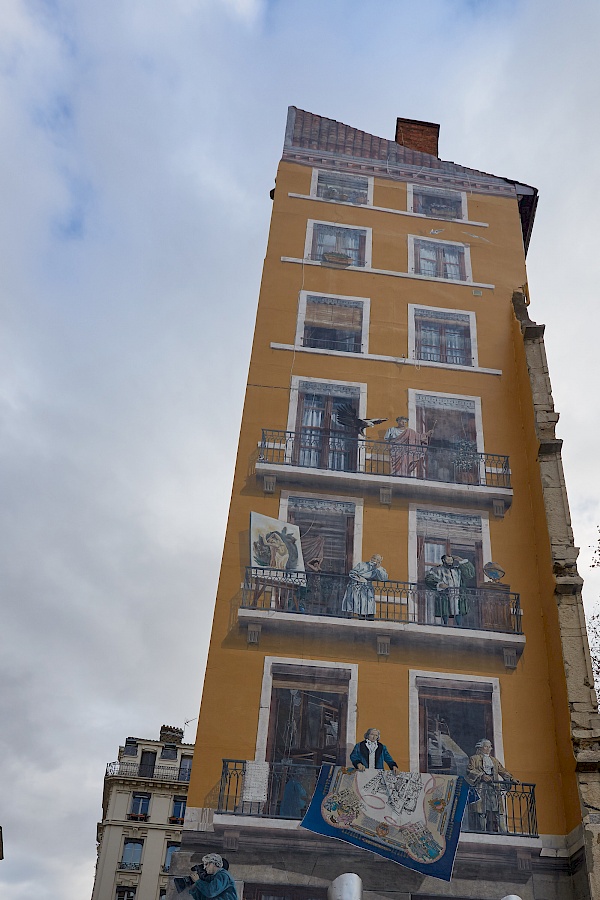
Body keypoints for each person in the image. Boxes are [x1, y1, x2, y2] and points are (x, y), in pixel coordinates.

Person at [466, 739, 518, 834]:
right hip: (481, 787)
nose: (489, 748)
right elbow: (469, 771)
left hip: (494, 788)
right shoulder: (474, 758)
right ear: (480, 747)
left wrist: (511, 778)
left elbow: (502, 771)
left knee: (498, 810)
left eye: (490, 746)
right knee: (482, 811)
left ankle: (503, 830)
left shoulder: (494, 760)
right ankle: (482, 830)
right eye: (486, 746)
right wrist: (482, 775)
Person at [424, 554, 475, 625]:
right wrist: (439, 584)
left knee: (458, 610)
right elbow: (429, 579)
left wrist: (460, 559)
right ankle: (445, 624)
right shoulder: (437, 569)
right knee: (445, 609)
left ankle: (459, 625)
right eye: (448, 560)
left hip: (458, 593)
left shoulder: (458, 570)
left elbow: (470, 574)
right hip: (445, 593)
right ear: (443, 560)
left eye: (451, 560)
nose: (450, 561)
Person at [341, 555, 388, 619]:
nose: (375, 560)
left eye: (377, 559)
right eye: (374, 558)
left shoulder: (379, 569)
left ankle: (369, 619)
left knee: (370, 607)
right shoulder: (362, 565)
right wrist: (361, 579)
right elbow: (352, 573)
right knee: (359, 606)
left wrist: (378, 568)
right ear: (371, 558)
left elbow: (384, 578)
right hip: (357, 587)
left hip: (368, 589)